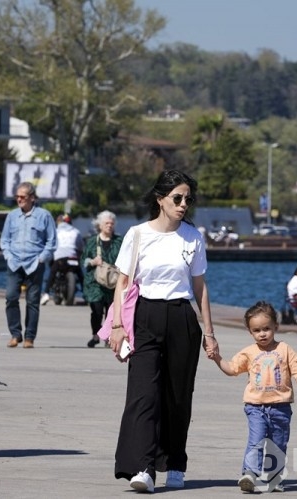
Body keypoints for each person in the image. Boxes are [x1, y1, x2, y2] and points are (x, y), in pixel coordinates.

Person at [109, 170, 217, 493]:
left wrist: (209, 332)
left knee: (178, 396)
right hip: (145, 316)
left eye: (187, 199)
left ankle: (174, 463)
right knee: (143, 395)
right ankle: (142, 467)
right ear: (161, 200)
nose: (184, 204)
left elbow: (200, 288)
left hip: (182, 318)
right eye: (177, 198)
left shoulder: (193, 237)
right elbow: (123, 283)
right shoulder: (137, 234)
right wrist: (117, 325)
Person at [210, 301, 297, 493]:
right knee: (256, 440)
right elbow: (232, 369)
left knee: (278, 444)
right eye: (256, 330)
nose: (262, 334)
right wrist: (217, 358)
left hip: (281, 407)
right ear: (250, 332)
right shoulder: (249, 352)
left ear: (276, 326)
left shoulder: (284, 349)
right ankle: (249, 473)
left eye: (266, 329)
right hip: (255, 406)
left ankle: (274, 478)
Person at [0, 182, 56, 348]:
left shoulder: (44, 215)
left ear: (32, 198)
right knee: (11, 297)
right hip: (14, 263)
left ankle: (29, 337)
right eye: (17, 197)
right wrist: (8, 256)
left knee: (32, 301)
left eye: (22, 197)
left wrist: (42, 259)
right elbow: (4, 239)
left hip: (34, 264)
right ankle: (15, 334)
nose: (19, 199)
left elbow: (51, 241)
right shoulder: (12, 216)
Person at [81, 210, 123, 347]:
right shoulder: (93, 241)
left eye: (111, 223)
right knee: (97, 310)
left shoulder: (119, 241)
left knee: (111, 311)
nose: (109, 226)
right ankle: (95, 335)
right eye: (106, 223)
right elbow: (84, 260)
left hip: (113, 282)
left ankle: (108, 337)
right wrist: (93, 261)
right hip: (95, 283)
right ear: (99, 225)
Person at [42, 213, 83, 305]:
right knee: (80, 275)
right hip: (74, 258)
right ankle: (86, 293)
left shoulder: (55, 232)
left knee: (52, 273)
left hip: (60, 259)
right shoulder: (76, 231)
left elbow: (50, 246)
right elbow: (81, 247)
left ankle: (46, 293)